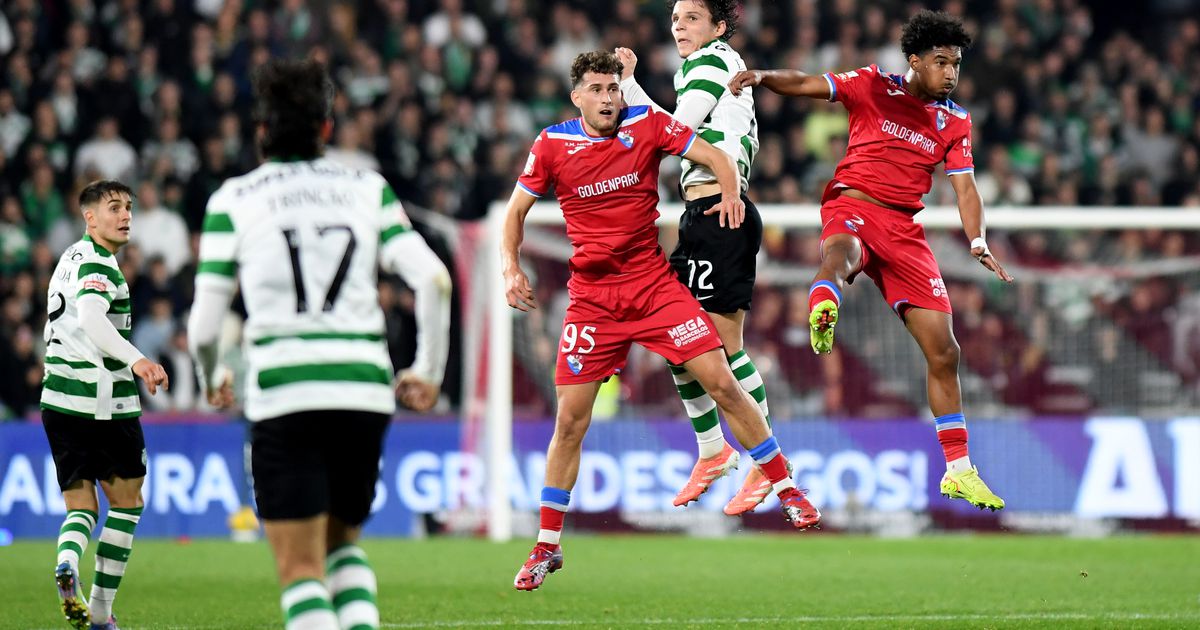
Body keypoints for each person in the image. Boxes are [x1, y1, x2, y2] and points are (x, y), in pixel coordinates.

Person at [505, 51, 821, 592]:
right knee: (570, 423)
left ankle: (787, 488)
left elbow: (717, 157)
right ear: (576, 96)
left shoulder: (647, 124)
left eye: (613, 88)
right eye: (597, 90)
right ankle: (547, 547)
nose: (608, 98)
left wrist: (730, 200)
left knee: (720, 379)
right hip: (593, 301)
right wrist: (511, 268)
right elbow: (514, 213)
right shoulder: (551, 144)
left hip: (653, 288)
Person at [187, 59, 452, 630]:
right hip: (363, 390)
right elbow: (433, 280)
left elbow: (204, 328)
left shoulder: (234, 200)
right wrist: (427, 370)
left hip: (285, 392)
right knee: (341, 547)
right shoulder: (367, 189)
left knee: (300, 568)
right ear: (326, 128)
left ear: (260, 130)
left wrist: (212, 378)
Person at [729, 9, 1011, 510]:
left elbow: (965, 187)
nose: (951, 73)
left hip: (905, 230)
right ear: (914, 60)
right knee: (843, 254)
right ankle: (824, 305)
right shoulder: (871, 84)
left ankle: (958, 470)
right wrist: (765, 76)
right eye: (942, 62)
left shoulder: (955, 121)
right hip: (854, 203)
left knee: (945, 351)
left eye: (957, 65)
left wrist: (977, 239)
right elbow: (809, 83)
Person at [615, 0, 778, 516]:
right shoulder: (702, 67)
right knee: (676, 340)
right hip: (701, 215)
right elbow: (673, 128)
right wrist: (634, 85)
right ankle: (712, 449)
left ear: (718, 26)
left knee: (723, 348)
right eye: (675, 19)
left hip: (721, 213)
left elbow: (670, 133)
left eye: (690, 18)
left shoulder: (712, 61)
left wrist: (624, 102)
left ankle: (763, 460)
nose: (678, 27)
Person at [41, 179, 170, 630]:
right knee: (128, 502)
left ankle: (68, 562)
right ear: (89, 217)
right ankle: (99, 612)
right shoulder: (100, 265)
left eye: (129, 207)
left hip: (56, 398)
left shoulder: (68, 258)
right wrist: (139, 361)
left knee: (81, 507)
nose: (126, 215)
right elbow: (94, 319)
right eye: (114, 207)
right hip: (100, 401)